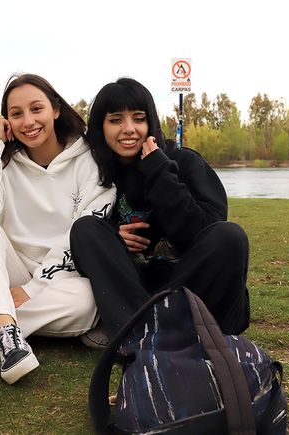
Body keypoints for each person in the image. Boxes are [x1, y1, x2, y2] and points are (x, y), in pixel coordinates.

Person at [0, 73, 116, 384]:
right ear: (6, 121)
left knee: (88, 301)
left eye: (36, 109)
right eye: (16, 114)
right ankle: (8, 335)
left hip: (61, 280)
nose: (28, 121)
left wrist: (32, 289)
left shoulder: (89, 160)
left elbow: (84, 232)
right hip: (9, 274)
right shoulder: (1, 162)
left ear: (55, 109)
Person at [69, 77, 250, 345]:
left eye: (138, 119)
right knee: (84, 229)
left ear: (150, 121)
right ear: (101, 126)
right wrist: (116, 239)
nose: (129, 129)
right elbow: (93, 250)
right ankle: (146, 332)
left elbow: (206, 233)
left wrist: (158, 171)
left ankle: (144, 331)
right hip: (138, 291)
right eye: (116, 120)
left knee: (230, 236)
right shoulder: (96, 173)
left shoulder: (184, 162)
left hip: (194, 286)